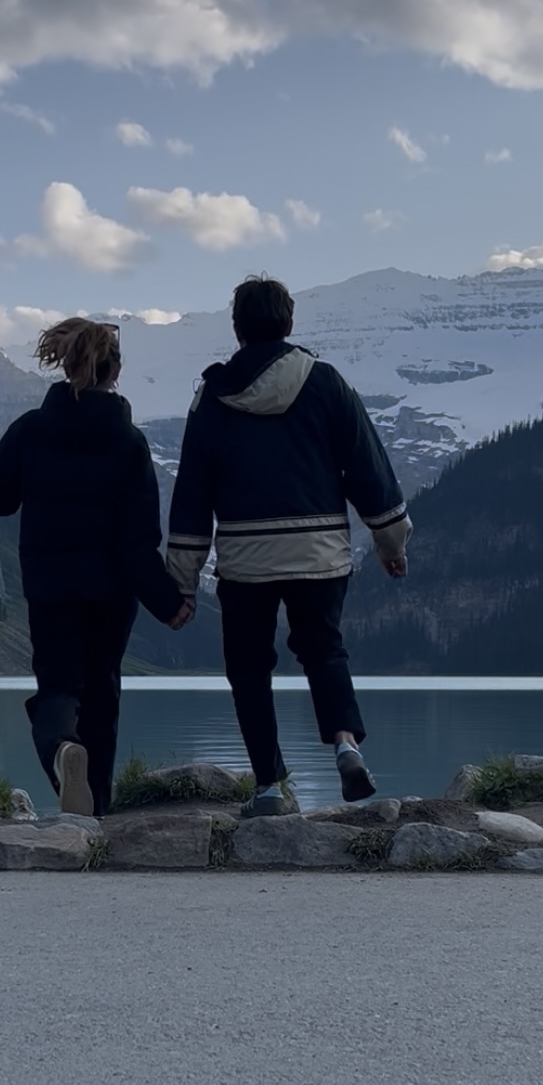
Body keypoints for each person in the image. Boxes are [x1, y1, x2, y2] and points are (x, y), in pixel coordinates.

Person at [166, 275, 410, 816]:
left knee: (248, 668)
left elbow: (192, 496)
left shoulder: (212, 396)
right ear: (289, 323)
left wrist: (182, 581)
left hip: (245, 561)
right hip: (319, 552)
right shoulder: (326, 383)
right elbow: (368, 469)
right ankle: (345, 744)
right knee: (323, 649)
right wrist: (391, 543)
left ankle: (269, 786)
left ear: (237, 329)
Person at [0, 316, 191, 817]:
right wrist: (168, 602)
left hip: (49, 586)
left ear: (66, 367)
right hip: (111, 593)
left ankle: (61, 751)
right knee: (101, 694)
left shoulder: (31, 429)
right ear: (116, 372)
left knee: (58, 686)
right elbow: (139, 542)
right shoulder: (129, 442)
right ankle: (97, 814)